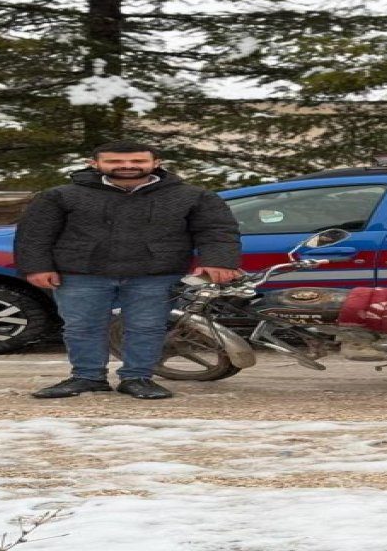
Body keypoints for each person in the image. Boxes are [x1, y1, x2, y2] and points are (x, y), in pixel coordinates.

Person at [15, 141, 242, 400]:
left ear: (156, 163)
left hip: (156, 273)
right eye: (115, 161)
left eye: (138, 161)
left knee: (148, 327)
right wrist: (36, 266)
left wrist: (220, 261)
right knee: (81, 327)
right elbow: (34, 235)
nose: (127, 166)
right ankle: (87, 377)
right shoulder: (60, 195)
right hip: (81, 272)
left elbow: (217, 231)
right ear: (95, 164)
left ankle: (138, 378)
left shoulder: (193, 196)